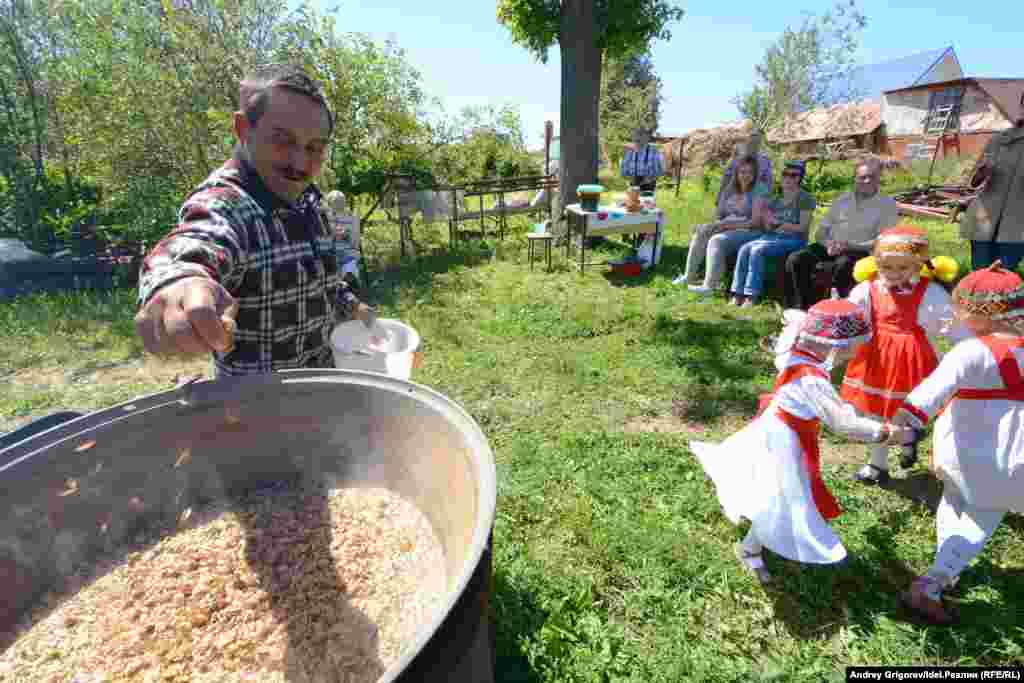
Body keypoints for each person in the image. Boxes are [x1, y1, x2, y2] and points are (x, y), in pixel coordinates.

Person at [134, 64, 378, 376]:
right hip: (256, 409)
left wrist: (355, 307)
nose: (300, 162)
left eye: (314, 148)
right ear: (243, 128)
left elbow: (321, 281)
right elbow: (198, 242)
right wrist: (179, 283)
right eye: (282, 140)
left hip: (322, 389)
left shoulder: (310, 201)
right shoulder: (228, 204)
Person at [690, 299, 914, 583]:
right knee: (782, 497)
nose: (853, 354)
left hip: (773, 427)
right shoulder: (812, 381)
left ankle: (750, 537)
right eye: (854, 347)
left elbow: (790, 331)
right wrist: (885, 432)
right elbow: (843, 423)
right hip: (786, 439)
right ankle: (748, 549)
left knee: (765, 485)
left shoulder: (795, 349)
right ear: (837, 346)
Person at [893, 262, 1024, 624]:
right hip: (1012, 454)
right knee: (984, 512)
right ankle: (934, 580)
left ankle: (943, 569)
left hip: (962, 450)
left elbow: (927, 395)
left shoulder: (969, 351)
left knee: (956, 499)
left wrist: (907, 424)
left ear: (976, 313)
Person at [839, 226, 969, 485]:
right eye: (887, 268)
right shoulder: (868, 289)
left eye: (903, 268)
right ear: (876, 263)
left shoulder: (930, 293)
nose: (894, 274)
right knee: (874, 411)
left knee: (906, 408)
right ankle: (877, 464)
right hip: (875, 357)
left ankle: (909, 439)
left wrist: (968, 352)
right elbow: (851, 316)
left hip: (912, 359)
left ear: (918, 265)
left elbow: (953, 327)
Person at [784, 156, 899, 310]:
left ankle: (839, 310)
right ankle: (799, 309)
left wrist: (849, 245)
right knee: (796, 259)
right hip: (831, 246)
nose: (866, 181)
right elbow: (820, 232)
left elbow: (883, 240)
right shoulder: (842, 200)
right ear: (855, 179)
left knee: (843, 264)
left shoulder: (887, 205)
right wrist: (828, 244)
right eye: (862, 177)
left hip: (860, 250)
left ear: (879, 179)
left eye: (871, 177)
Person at [728, 160, 816, 307]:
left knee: (757, 250)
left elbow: (802, 228)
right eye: (785, 174)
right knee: (744, 248)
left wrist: (779, 224)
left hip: (794, 240)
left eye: (794, 175)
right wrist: (766, 218)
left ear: (800, 178)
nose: (788, 178)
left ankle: (751, 296)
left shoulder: (805, 198)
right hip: (772, 237)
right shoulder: (775, 200)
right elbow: (768, 228)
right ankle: (737, 293)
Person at [677, 155, 767, 293]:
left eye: (750, 172)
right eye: (742, 172)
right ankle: (688, 276)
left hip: (751, 231)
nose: (746, 176)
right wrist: (715, 225)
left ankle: (709, 287)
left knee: (717, 240)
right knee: (702, 232)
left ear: (755, 174)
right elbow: (719, 216)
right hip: (728, 226)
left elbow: (755, 222)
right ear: (737, 173)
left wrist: (726, 226)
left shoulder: (759, 190)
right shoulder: (729, 189)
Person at [959, 90, 1024, 271]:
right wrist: (982, 172)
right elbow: (973, 182)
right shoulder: (1000, 140)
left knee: (1003, 280)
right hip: (984, 219)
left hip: (1017, 226)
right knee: (979, 274)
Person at [716, 131, 773, 206]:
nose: (754, 143)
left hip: (755, 198)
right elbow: (726, 178)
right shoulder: (737, 160)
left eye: (757, 141)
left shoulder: (765, 161)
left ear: (760, 144)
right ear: (748, 142)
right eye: (752, 140)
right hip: (735, 196)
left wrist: (766, 200)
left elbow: (768, 182)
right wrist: (719, 197)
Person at [322, 190, 362, 284]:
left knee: (349, 266)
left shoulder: (352, 219)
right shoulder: (322, 219)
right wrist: (331, 235)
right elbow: (322, 243)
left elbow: (355, 243)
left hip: (347, 255)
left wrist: (346, 235)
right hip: (329, 256)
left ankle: (348, 283)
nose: (335, 214)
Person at [619, 127, 665, 194]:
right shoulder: (629, 151)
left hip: (648, 188)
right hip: (633, 186)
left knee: (646, 202)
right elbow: (623, 171)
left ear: (646, 138)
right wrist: (628, 178)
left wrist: (651, 178)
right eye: (635, 136)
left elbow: (660, 171)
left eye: (640, 135)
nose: (637, 138)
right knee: (632, 203)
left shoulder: (653, 151)